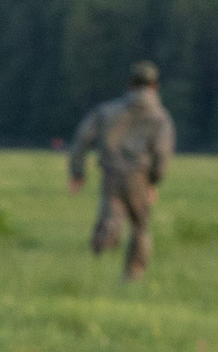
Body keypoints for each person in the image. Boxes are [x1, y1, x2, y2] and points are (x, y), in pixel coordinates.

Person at [67, 59, 176, 274]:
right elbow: (162, 153)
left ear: (131, 84)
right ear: (155, 86)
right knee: (140, 226)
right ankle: (133, 275)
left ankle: (94, 262)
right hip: (139, 176)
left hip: (111, 173)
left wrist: (77, 172)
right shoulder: (160, 117)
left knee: (110, 217)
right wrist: (154, 181)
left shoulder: (107, 111)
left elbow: (82, 139)